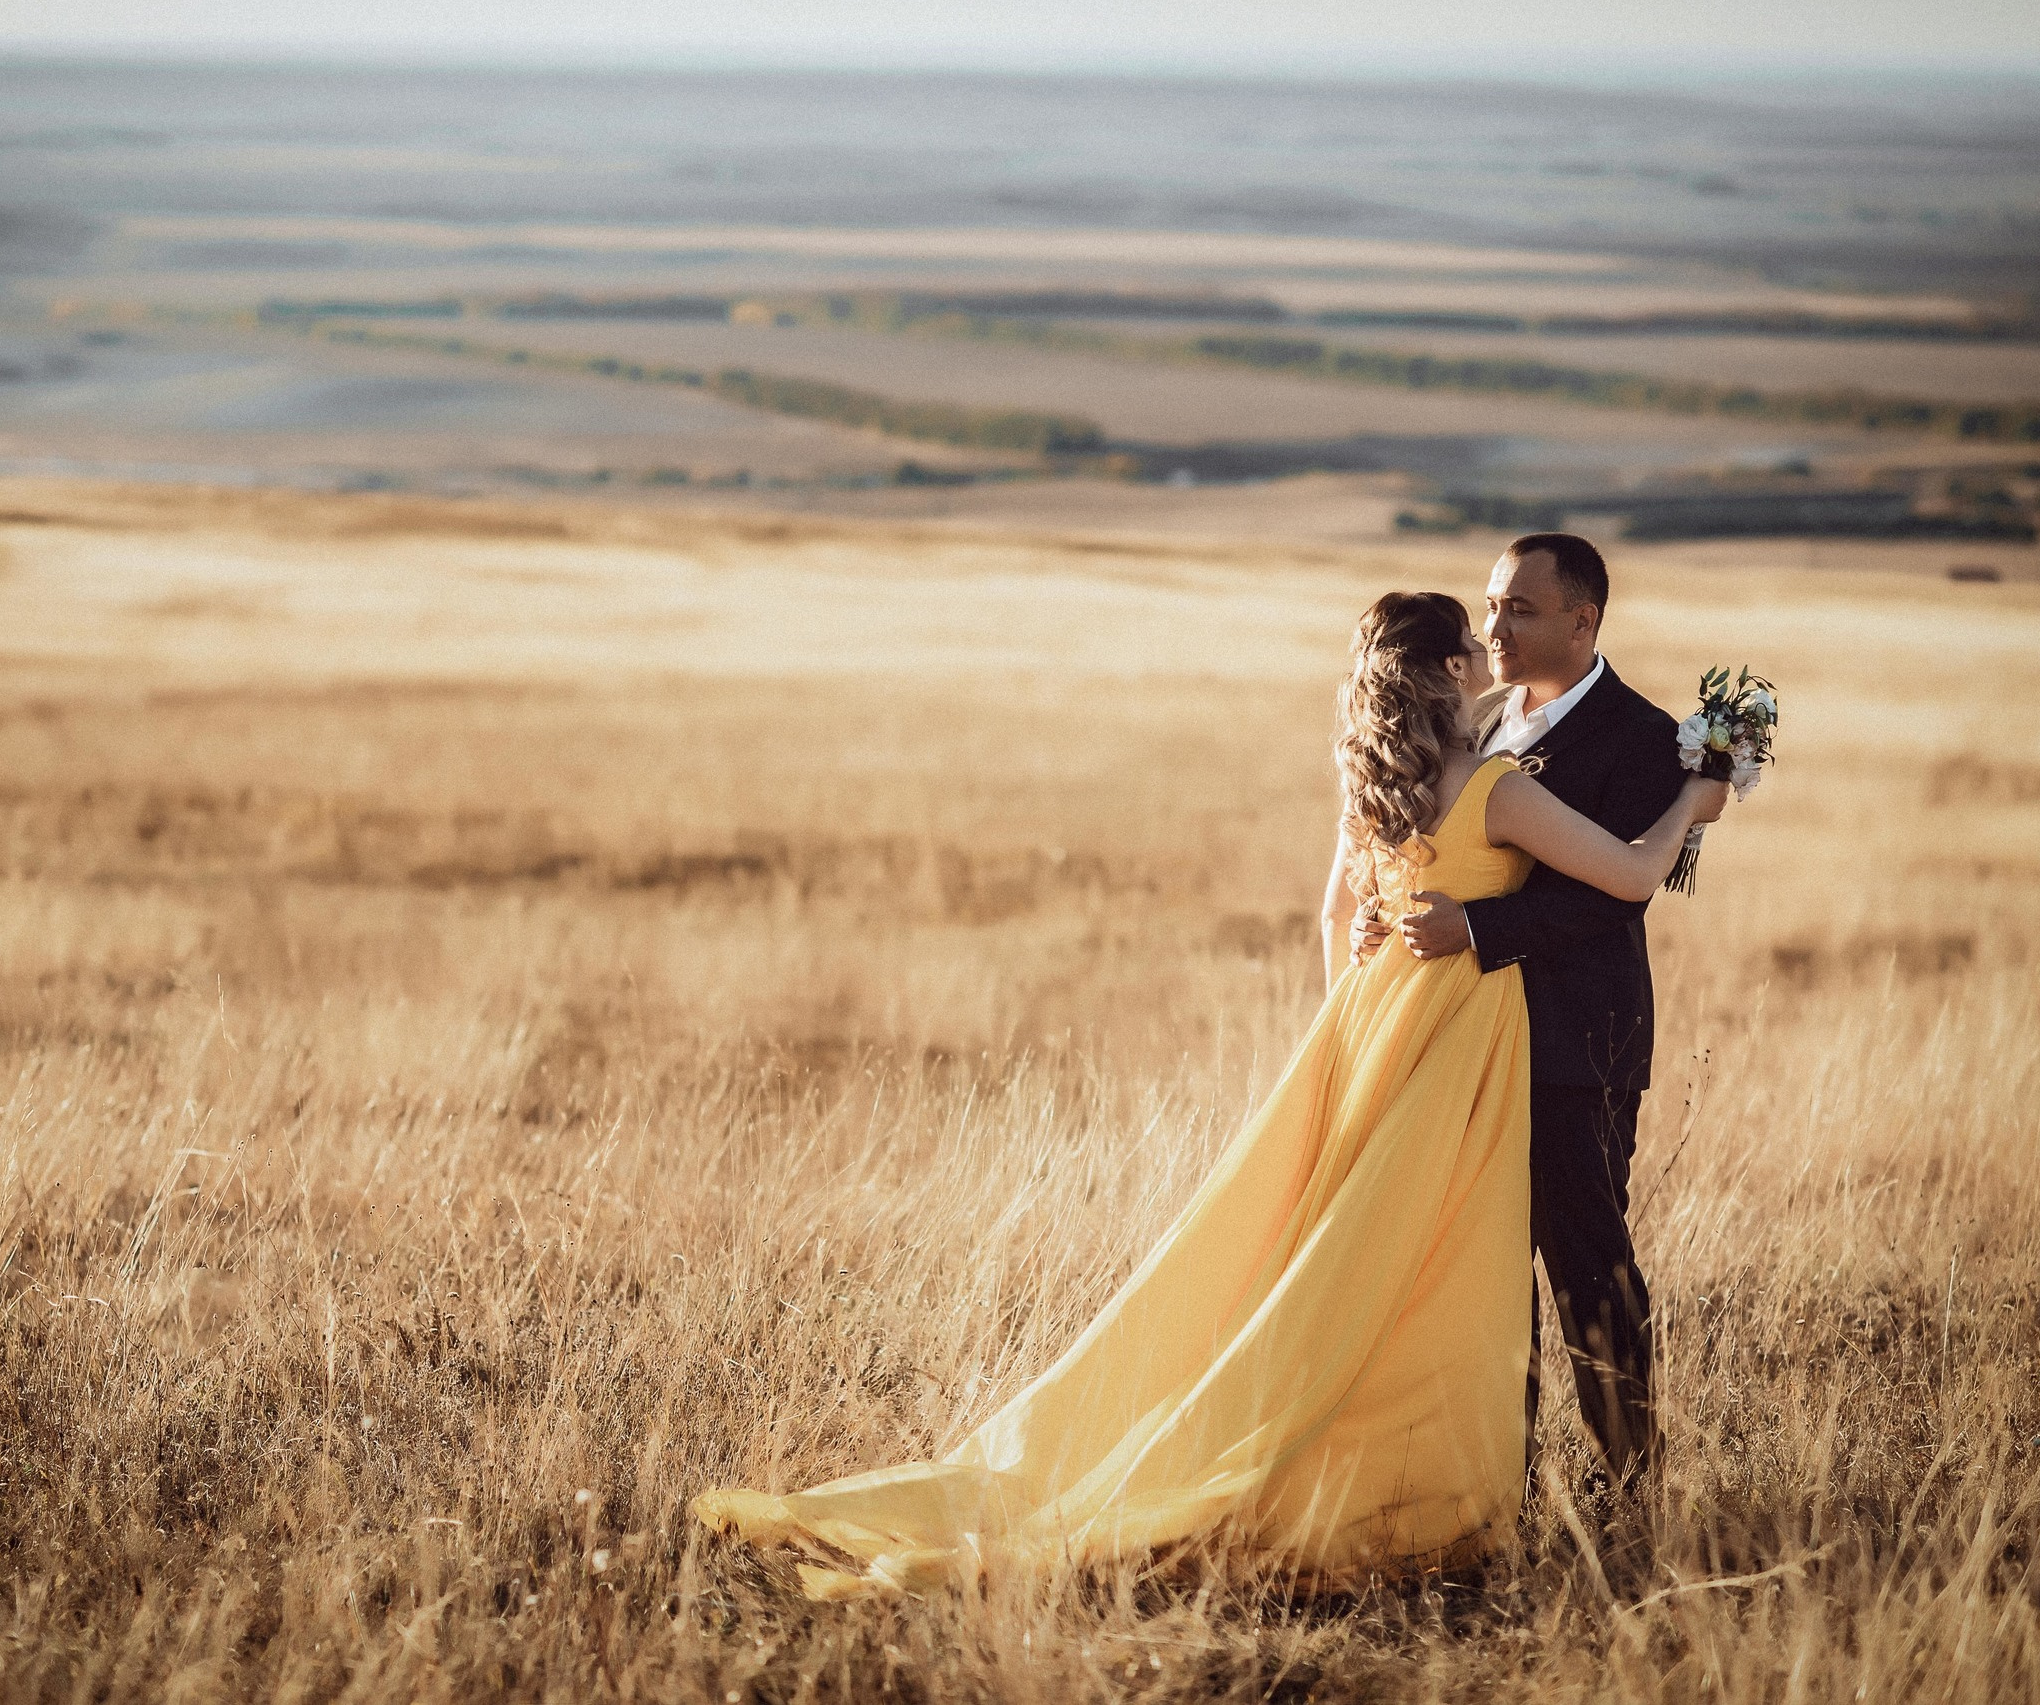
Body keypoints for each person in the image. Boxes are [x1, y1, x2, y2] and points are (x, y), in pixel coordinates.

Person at [689, 587, 1727, 1601]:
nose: (1492, 640)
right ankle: (1424, 1479)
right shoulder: (1493, 783)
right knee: (1438, 1251)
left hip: (1371, 1031)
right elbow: (1630, 877)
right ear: (1452, 670)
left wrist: (1360, 1011)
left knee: (1357, 1250)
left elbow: (1335, 914)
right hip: (1462, 1038)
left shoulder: (1381, 784)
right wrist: (1697, 797)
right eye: (1476, 632)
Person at [1362, 534, 1684, 1505]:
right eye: (1493, 604)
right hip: (1466, 1042)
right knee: (1484, 1266)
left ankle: (1632, 1479)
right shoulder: (1481, 718)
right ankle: (1503, 1479)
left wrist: (1479, 926)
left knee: (1585, 1257)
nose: (1493, 625)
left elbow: (1624, 892)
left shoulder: (1642, 735)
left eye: (1522, 610)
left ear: (1583, 621)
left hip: (1574, 1043)